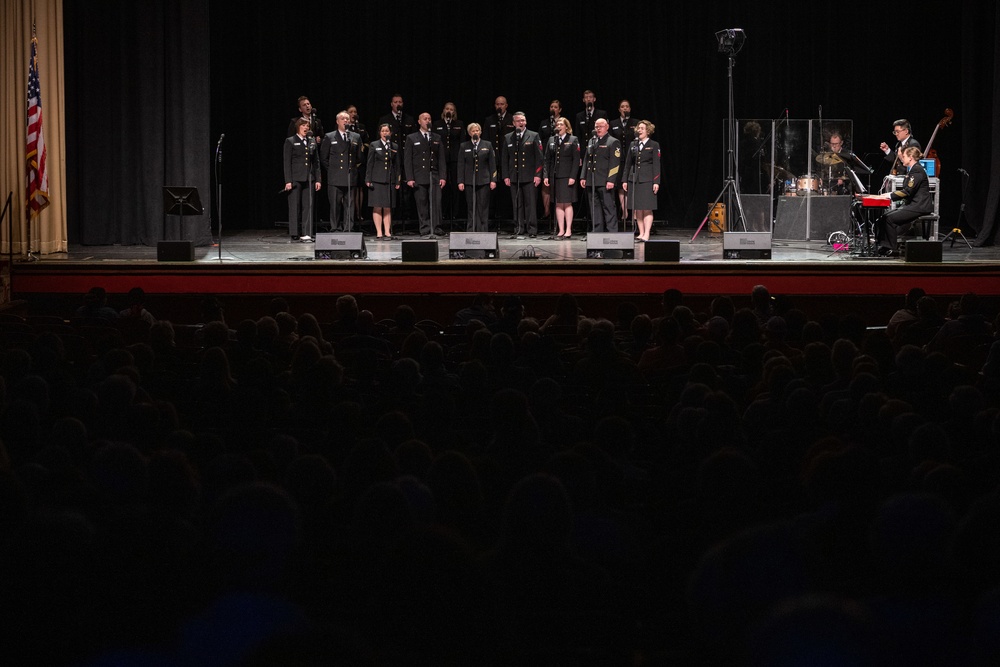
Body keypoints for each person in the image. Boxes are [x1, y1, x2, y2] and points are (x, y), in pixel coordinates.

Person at [870, 146, 932, 256]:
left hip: (919, 206)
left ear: (911, 157)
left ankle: (893, 249)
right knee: (884, 217)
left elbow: (907, 192)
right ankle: (884, 246)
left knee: (890, 219)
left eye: (904, 156)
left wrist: (888, 195)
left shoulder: (917, 170)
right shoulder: (912, 170)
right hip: (913, 205)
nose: (902, 158)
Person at [404, 112, 448, 237]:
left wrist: (443, 176)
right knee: (422, 203)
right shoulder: (412, 138)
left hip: (434, 175)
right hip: (419, 176)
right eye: (425, 119)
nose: (427, 121)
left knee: (436, 203)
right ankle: (425, 228)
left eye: (429, 119)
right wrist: (410, 178)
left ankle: (437, 227)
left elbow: (441, 159)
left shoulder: (436, 137)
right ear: (419, 121)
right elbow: (408, 160)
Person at [320, 111, 363, 232]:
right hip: (335, 176)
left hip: (350, 175)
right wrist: (333, 170)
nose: (345, 121)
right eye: (343, 119)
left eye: (347, 119)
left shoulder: (356, 137)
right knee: (335, 205)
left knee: (350, 205)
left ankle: (349, 228)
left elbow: (359, 157)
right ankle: (335, 228)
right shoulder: (330, 136)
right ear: (337, 121)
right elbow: (324, 157)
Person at [504, 112, 544, 238]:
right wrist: (506, 176)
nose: (521, 123)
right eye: (518, 121)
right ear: (513, 123)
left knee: (530, 204)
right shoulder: (508, 137)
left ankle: (532, 229)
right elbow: (505, 159)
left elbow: (539, 157)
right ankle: (519, 228)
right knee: (517, 204)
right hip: (514, 177)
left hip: (530, 176)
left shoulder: (533, 135)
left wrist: (538, 175)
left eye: (523, 120)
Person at [579, 117, 621, 233]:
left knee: (608, 207)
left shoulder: (613, 141)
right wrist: (583, 176)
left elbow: (615, 163)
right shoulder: (591, 141)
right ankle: (597, 232)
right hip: (592, 180)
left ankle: (612, 232)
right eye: (596, 126)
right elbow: (587, 160)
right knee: (594, 209)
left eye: (601, 126)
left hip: (605, 181)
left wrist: (611, 180)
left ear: (607, 127)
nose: (598, 129)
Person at [622, 120, 661, 242]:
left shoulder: (654, 145)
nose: (639, 130)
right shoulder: (633, 144)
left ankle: (647, 233)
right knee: (637, 208)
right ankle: (641, 232)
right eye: (638, 128)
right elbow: (628, 163)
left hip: (647, 179)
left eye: (642, 128)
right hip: (634, 179)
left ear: (648, 130)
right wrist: (624, 180)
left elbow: (656, 164)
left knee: (647, 208)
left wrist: (656, 181)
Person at [283, 118, 321, 241]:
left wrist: (318, 179)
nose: (306, 128)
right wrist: (288, 180)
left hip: (309, 177)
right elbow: (287, 162)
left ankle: (307, 232)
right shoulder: (291, 141)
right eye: (303, 125)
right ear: (298, 127)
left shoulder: (312, 141)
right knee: (295, 205)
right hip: (295, 178)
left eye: (307, 126)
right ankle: (295, 232)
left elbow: (316, 162)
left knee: (308, 206)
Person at [543, 117, 580, 238]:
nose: (559, 126)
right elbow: (547, 159)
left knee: (567, 203)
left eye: (561, 124)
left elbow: (576, 160)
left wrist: (573, 176)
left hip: (567, 176)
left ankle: (568, 229)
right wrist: (546, 175)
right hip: (555, 176)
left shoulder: (573, 139)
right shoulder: (552, 140)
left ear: (566, 127)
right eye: (557, 124)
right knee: (558, 203)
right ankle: (561, 229)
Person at [457, 123, 496, 233]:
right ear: (469, 133)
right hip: (469, 181)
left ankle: (483, 230)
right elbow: (460, 165)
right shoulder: (464, 146)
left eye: (477, 130)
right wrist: (460, 181)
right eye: (473, 131)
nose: (475, 133)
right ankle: (471, 229)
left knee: (483, 207)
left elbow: (492, 164)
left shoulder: (487, 145)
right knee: (471, 207)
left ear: (480, 132)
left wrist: (493, 180)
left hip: (484, 180)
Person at [366, 123, 401, 239]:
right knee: (377, 206)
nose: (385, 133)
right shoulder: (374, 145)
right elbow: (370, 163)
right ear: (380, 133)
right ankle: (379, 231)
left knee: (387, 206)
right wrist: (368, 179)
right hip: (376, 180)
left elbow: (397, 165)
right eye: (383, 131)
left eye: (387, 131)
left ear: (390, 133)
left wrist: (398, 180)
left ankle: (387, 231)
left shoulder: (394, 146)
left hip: (389, 180)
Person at [483, 96, 514, 223]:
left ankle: (507, 215)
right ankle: (491, 215)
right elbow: (485, 139)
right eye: (497, 104)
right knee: (492, 187)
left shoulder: (512, 119)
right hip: (493, 159)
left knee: (506, 187)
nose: (499, 106)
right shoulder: (489, 120)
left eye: (502, 104)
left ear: (506, 105)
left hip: (508, 159)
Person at [434, 102, 466, 222]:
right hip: (441, 160)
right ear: (443, 111)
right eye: (447, 109)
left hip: (455, 159)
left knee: (455, 187)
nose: (449, 111)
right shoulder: (437, 124)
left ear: (454, 112)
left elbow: (462, 142)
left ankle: (455, 214)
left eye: (451, 109)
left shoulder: (459, 124)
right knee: (443, 186)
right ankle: (442, 213)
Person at [610, 100, 639, 217]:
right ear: (619, 109)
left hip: (632, 158)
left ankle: (635, 213)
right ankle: (625, 211)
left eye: (627, 106)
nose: (625, 109)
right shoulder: (613, 123)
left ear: (630, 109)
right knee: (620, 185)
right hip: (619, 159)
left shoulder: (635, 122)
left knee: (632, 184)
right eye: (622, 107)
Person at [538, 99, 563, 219]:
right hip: (546, 156)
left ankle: (559, 212)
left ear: (560, 109)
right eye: (551, 106)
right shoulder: (544, 122)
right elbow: (539, 140)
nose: (553, 109)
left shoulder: (563, 122)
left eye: (556, 107)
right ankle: (547, 211)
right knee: (545, 184)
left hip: (560, 157)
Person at [346, 105, 370, 222]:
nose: (353, 114)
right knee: (351, 189)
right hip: (348, 162)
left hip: (360, 162)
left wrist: (361, 149)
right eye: (351, 112)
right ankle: (349, 214)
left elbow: (366, 142)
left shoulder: (361, 127)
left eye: (355, 112)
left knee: (360, 188)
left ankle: (359, 213)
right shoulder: (343, 127)